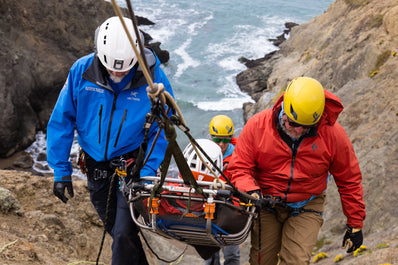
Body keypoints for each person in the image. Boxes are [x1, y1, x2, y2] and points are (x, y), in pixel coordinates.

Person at [47, 16, 174, 265]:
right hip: (96, 168)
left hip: (133, 166)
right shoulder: (81, 72)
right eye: (112, 68)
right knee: (116, 232)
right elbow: (62, 120)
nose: (117, 73)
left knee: (125, 233)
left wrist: (147, 170)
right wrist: (61, 171)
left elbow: (164, 128)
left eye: (124, 69)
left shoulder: (153, 81)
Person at [228, 77, 366, 265]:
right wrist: (250, 189)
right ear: (284, 108)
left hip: (307, 204)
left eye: (306, 127)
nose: (298, 130)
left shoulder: (333, 135)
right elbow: (239, 167)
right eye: (292, 123)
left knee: (297, 261)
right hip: (267, 202)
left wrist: (355, 224)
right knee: (261, 261)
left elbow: (349, 180)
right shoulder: (258, 126)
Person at [204, 115, 240, 265]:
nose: (221, 144)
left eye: (225, 140)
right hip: (209, 205)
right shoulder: (204, 152)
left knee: (231, 253)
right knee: (210, 255)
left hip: (230, 207)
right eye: (217, 139)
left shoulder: (238, 154)